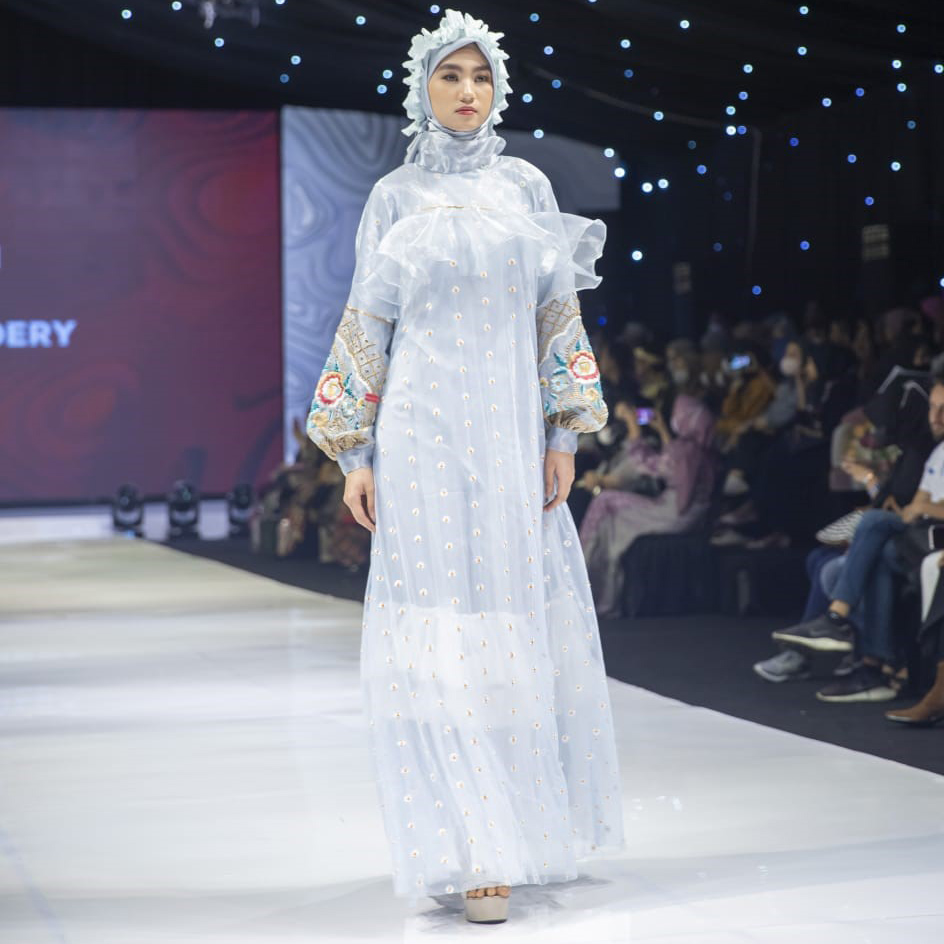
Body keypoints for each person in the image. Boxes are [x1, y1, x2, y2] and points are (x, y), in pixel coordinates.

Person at [304, 9, 625, 923]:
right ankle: (472, 845)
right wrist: (355, 453)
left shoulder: (526, 186)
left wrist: (564, 435)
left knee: (509, 619)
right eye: (450, 75)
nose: (467, 91)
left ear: (499, 89)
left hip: (510, 432)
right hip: (420, 434)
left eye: (480, 76)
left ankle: (510, 829)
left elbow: (557, 313)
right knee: (437, 628)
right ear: (423, 89)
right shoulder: (393, 196)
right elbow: (367, 322)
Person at [770, 376, 944, 702]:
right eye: (932, 408)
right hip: (912, 540)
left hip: (931, 543)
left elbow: (915, 505)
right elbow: (913, 505)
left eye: (943, 409)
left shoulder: (923, 451)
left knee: (863, 537)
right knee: (866, 554)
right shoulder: (934, 453)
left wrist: (912, 503)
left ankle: (838, 622)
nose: (935, 417)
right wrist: (915, 506)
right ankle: (871, 666)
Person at [578, 393, 717, 617]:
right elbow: (672, 464)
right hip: (684, 512)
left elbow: (647, 465)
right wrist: (662, 431)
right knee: (610, 512)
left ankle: (582, 577)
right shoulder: (697, 450)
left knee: (605, 502)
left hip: (673, 513)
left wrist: (633, 427)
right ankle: (596, 589)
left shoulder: (686, 452)